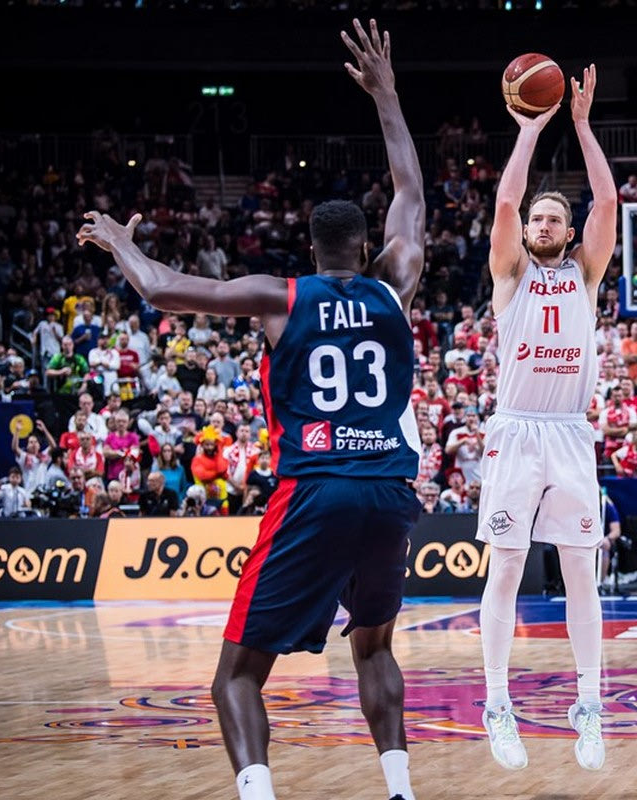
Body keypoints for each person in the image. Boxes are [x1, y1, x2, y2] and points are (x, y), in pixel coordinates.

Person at [76, 20, 424, 800]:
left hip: (316, 489)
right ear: (367, 245)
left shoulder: (280, 296)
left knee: (235, 676)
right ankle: (401, 791)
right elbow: (409, 192)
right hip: (391, 493)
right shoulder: (395, 282)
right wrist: (387, 96)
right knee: (374, 648)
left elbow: (164, 288)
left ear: (311, 246)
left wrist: (121, 244)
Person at [475, 62, 616, 772]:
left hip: (568, 434)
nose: (543, 224)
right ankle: (497, 704)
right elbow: (505, 202)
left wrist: (582, 126)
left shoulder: (586, 273)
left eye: (554, 218)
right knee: (505, 567)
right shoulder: (511, 275)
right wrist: (529, 131)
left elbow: (607, 201)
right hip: (517, 427)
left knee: (581, 571)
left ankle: (588, 705)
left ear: (568, 231)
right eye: (538, 219)